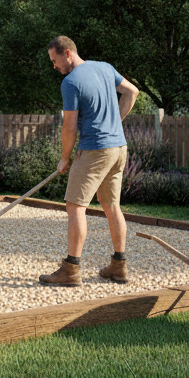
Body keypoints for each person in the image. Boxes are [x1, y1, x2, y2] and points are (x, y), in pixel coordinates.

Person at [39, 36, 140, 287]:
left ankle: (71, 270)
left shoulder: (71, 82)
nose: (54, 66)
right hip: (118, 148)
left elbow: (69, 127)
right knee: (112, 206)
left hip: (95, 150)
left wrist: (64, 158)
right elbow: (132, 91)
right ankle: (119, 267)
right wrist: (114, 123)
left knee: (75, 206)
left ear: (67, 53)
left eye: (54, 60)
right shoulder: (105, 68)